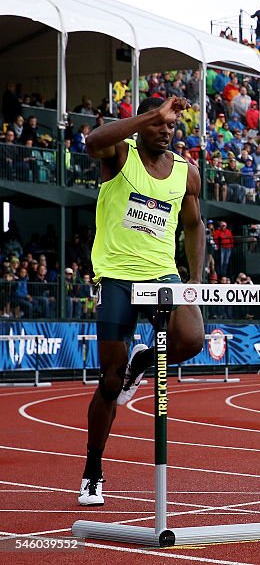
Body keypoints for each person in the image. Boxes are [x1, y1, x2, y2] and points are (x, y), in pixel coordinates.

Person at [80, 96, 205, 506]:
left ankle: (144, 362)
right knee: (109, 382)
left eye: (171, 125)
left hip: (161, 274)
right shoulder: (120, 155)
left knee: (191, 338)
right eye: (159, 123)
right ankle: (92, 471)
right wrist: (148, 116)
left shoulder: (186, 173)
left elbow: (194, 225)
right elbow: (92, 140)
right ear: (145, 122)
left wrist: (196, 279)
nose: (166, 130)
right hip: (116, 276)